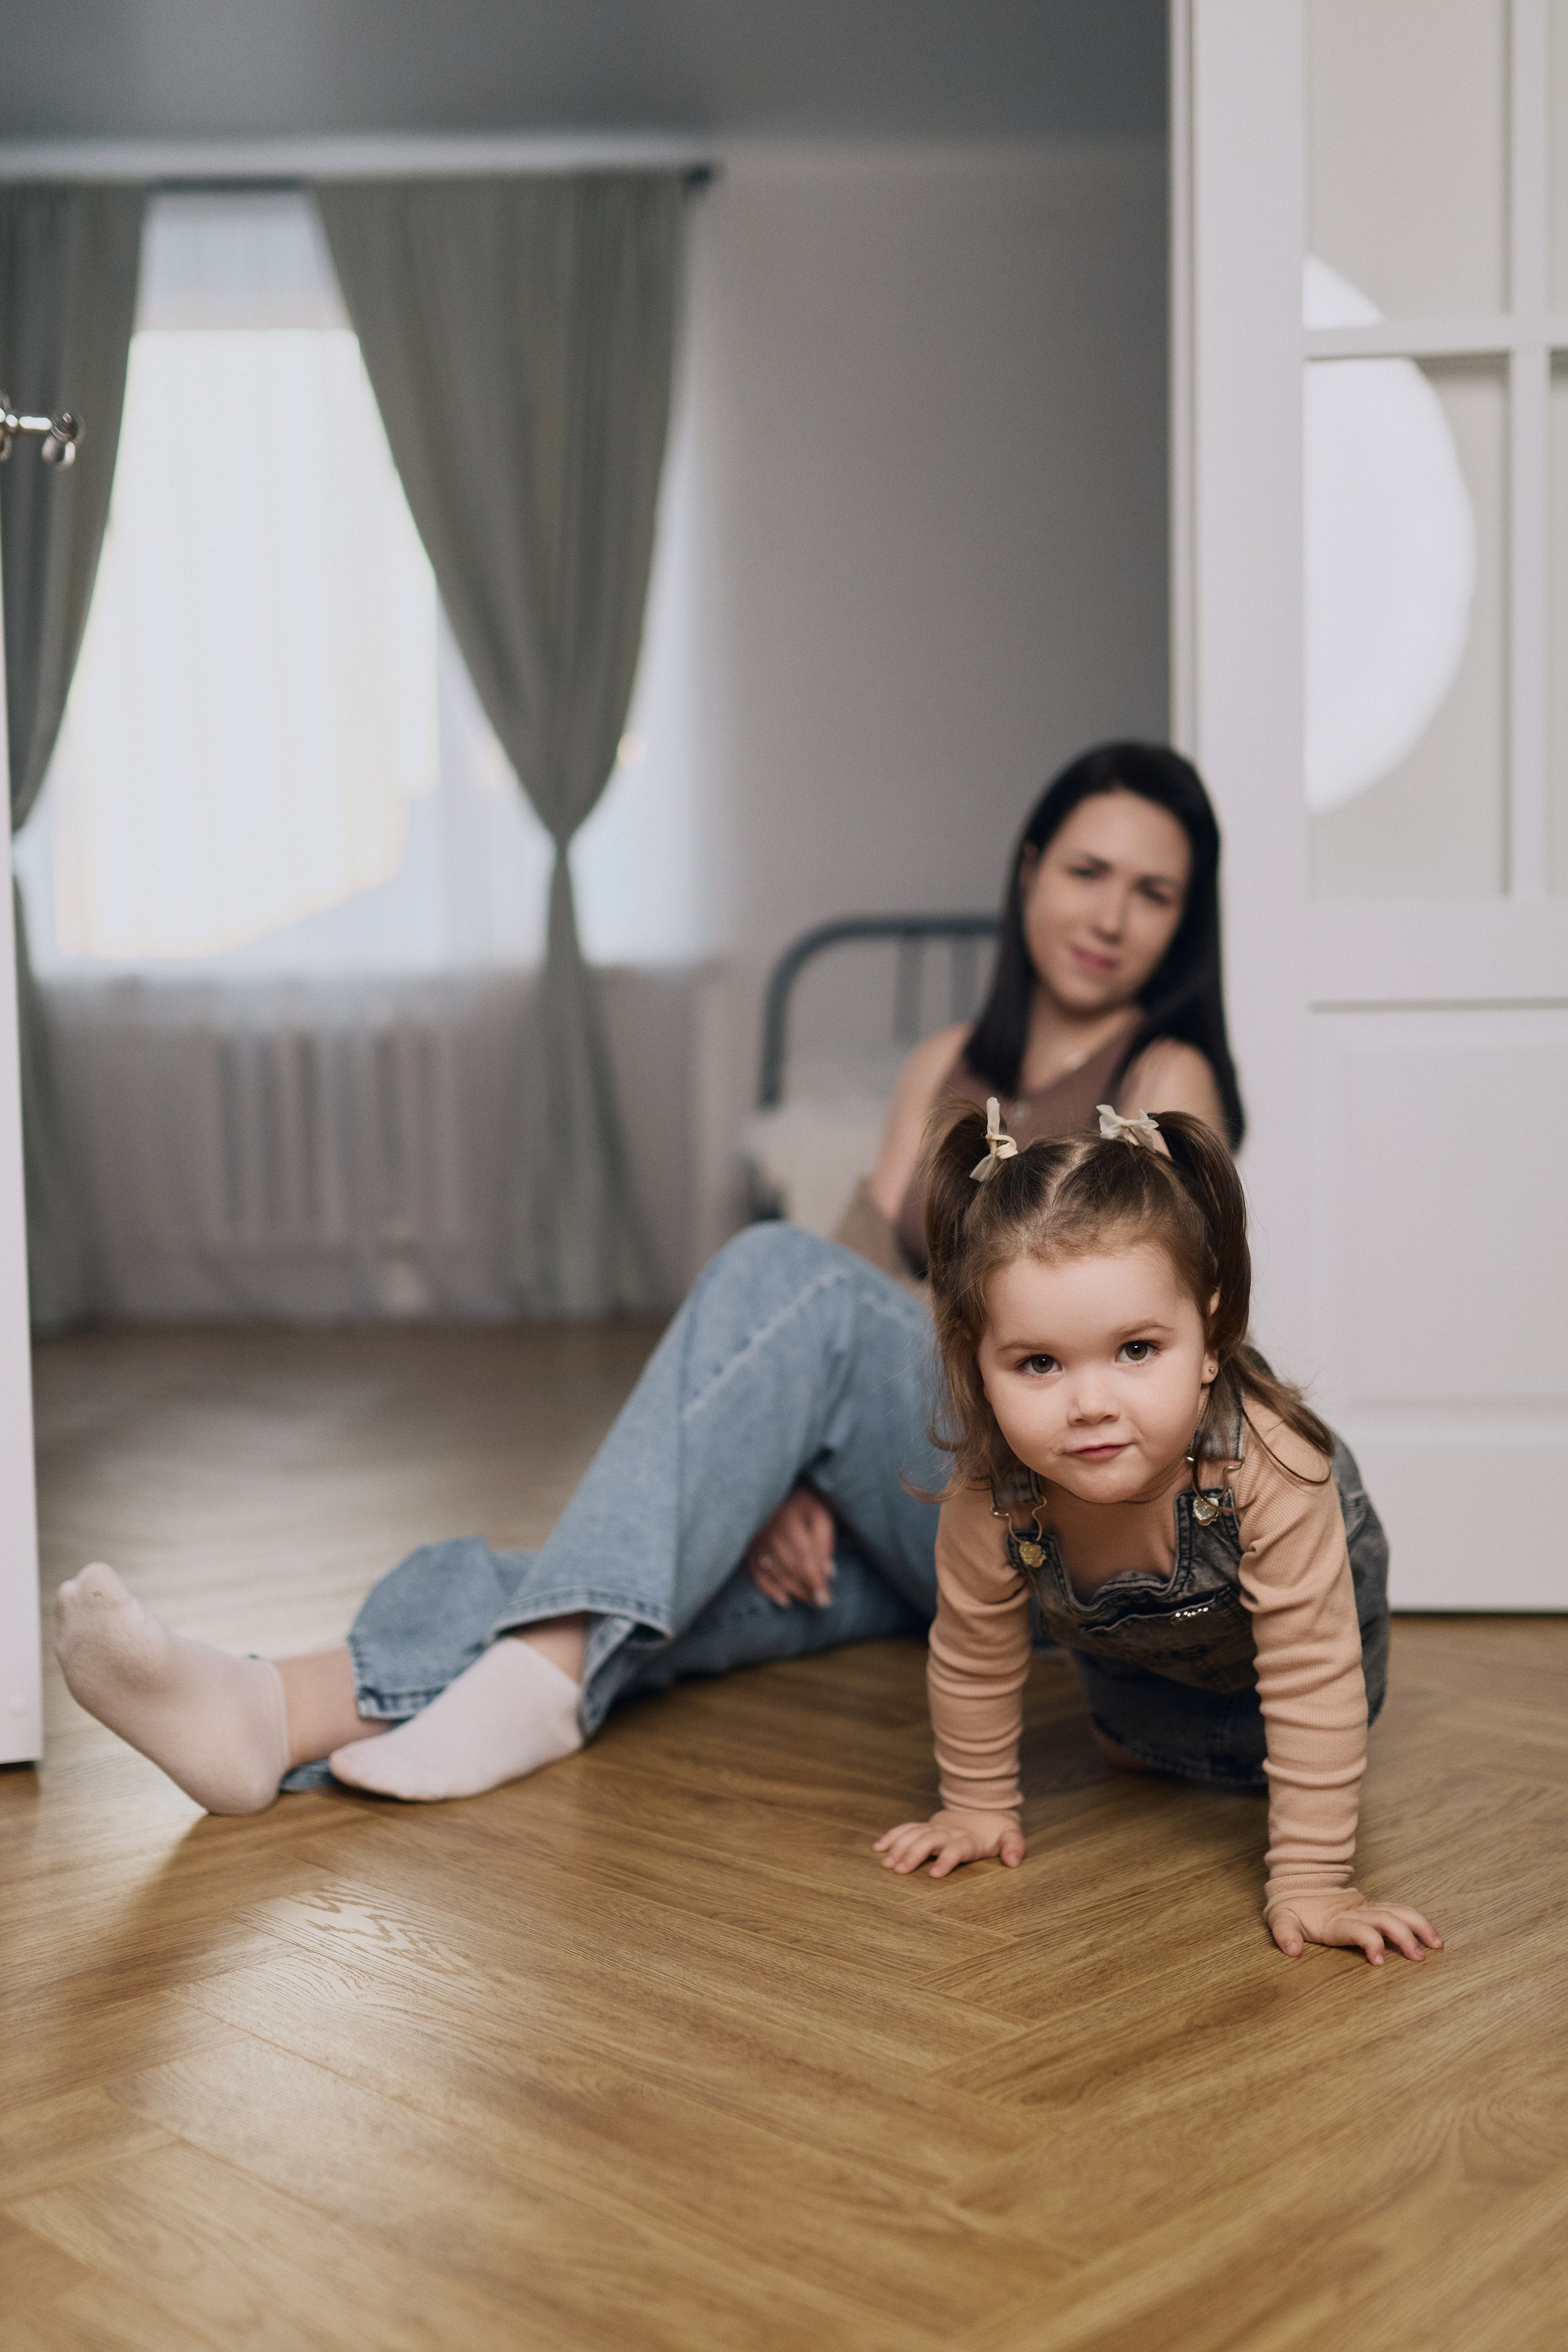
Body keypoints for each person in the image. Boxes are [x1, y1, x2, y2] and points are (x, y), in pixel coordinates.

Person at [55, 742, 1246, 1814]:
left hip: (1054, 1514)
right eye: (1088, 871)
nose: (1111, 916)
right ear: (1030, 870)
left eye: (1154, 894)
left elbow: (1097, 1342)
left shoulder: (1166, 1074)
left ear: (1182, 922)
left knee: (777, 1278)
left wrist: (814, 1429)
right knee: (647, 1565)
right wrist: (789, 1456)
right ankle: (274, 1711)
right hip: (924, 1518)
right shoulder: (942, 1063)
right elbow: (856, 1284)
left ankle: (533, 1683)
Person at [874, 1094, 1439, 1966]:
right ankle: (1165, 1733)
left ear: (1210, 1337)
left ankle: (1251, 1774)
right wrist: (976, 1805)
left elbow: (1312, 1674)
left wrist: (1313, 1881)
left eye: (1136, 1350)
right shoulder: (996, 1491)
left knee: (1278, 1743)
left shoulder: (1271, 1467)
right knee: (1136, 1750)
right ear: (978, 1366)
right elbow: (974, 1651)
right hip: (1144, 1674)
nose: (1091, 1404)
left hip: (1311, 1659)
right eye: (1038, 1363)